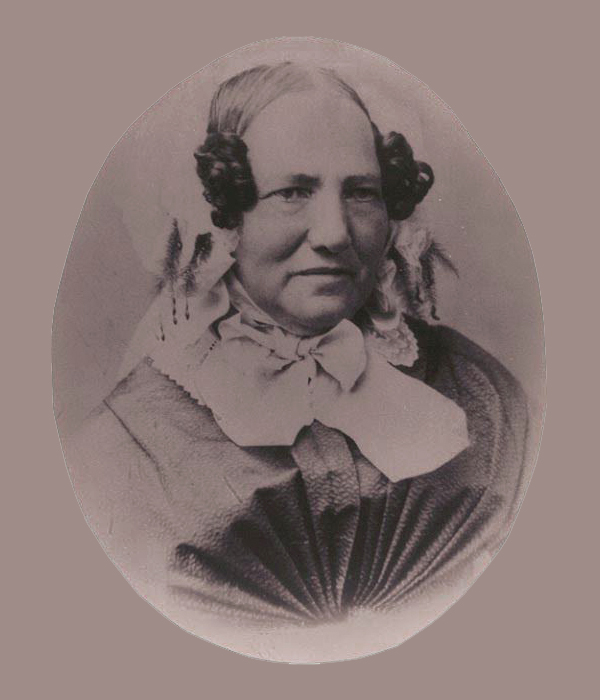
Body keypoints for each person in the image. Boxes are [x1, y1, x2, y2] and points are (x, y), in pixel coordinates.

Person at [67, 62, 530, 657]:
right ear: (226, 216)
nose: (334, 233)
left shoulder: (486, 400)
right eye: (292, 193)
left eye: (361, 192)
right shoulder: (121, 451)